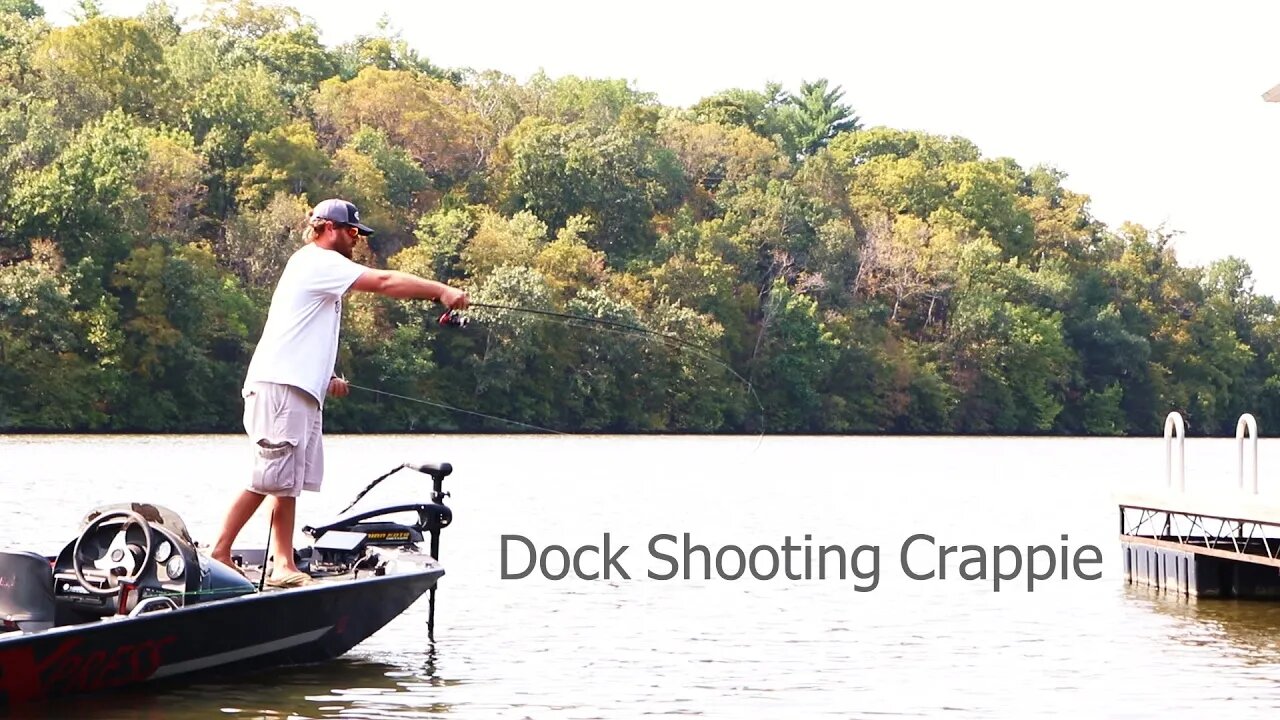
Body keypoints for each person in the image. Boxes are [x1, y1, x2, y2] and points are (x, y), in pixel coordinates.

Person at [210, 198, 469, 588]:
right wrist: (440, 291)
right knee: (268, 477)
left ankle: (282, 564)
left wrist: (325, 376)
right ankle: (219, 552)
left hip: (296, 388)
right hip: (281, 388)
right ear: (328, 228)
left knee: (285, 481)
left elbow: (300, 332)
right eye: (352, 232)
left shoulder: (319, 269)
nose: (356, 240)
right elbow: (384, 282)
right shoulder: (318, 261)